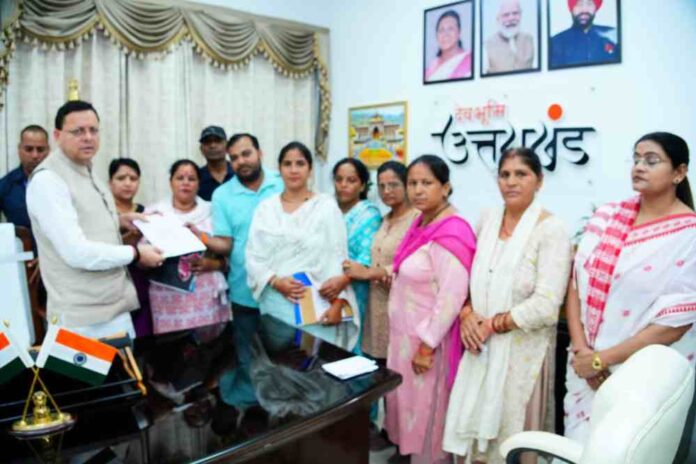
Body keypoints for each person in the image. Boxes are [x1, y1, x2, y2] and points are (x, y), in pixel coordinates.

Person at [564, 132, 696, 444]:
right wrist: (583, 354)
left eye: (651, 160)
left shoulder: (689, 234)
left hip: (643, 377)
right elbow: (576, 284)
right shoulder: (607, 216)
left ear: (679, 172)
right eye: (636, 159)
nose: (639, 166)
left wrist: (602, 360)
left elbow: (674, 324)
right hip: (584, 369)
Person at [442, 148, 572, 464]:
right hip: (479, 351)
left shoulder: (551, 230)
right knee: (474, 444)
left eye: (521, 174)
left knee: (511, 443)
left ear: (539, 181)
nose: (511, 182)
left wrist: (492, 324)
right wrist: (467, 313)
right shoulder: (487, 219)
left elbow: (547, 305)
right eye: (505, 174)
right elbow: (468, 278)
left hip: (521, 357)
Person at [26, 100, 163, 338]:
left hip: (114, 307)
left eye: (93, 130)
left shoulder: (87, 170)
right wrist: (136, 254)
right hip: (82, 320)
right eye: (78, 131)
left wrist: (121, 220)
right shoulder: (48, 181)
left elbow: (85, 220)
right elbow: (76, 252)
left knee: (126, 363)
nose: (88, 137)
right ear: (57, 136)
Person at [385, 155, 476, 464]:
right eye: (412, 183)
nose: (418, 190)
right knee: (407, 405)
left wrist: (426, 346)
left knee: (426, 411)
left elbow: (452, 296)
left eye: (427, 183)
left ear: (445, 187)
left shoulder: (453, 232)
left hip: (428, 344)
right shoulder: (421, 222)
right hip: (404, 338)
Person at [246, 142, 360, 350]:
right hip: (275, 305)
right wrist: (276, 281)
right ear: (279, 169)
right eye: (287, 164)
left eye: (300, 163)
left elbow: (337, 257)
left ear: (310, 169)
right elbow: (253, 256)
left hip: (317, 307)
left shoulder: (325, 207)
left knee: (314, 364)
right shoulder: (266, 209)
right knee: (279, 364)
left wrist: (338, 302)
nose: (294, 170)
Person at [200, 133, 283, 412]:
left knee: (283, 360)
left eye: (246, 154)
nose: (240, 162)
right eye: (234, 158)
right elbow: (225, 244)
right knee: (247, 360)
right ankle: (254, 415)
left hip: (283, 293)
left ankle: (283, 417)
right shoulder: (222, 195)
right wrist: (200, 237)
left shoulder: (282, 183)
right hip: (244, 293)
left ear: (260, 153)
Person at [342, 161, 418, 362]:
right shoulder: (383, 220)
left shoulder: (417, 220)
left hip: (403, 307)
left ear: (407, 185)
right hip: (375, 306)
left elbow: (415, 264)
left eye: (393, 185)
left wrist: (370, 273)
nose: (386, 191)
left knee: (399, 367)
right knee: (376, 367)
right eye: (382, 186)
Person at [146, 160, 230, 334]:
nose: (185, 183)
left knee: (209, 347)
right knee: (171, 347)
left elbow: (231, 252)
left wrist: (213, 264)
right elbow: (142, 258)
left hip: (206, 299)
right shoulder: (154, 213)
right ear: (171, 182)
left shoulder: (212, 212)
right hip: (166, 301)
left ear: (199, 184)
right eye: (180, 178)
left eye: (191, 179)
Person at [333, 158, 382, 350]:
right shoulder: (328, 210)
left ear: (362, 186)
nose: (343, 185)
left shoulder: (368, 215)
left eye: (351, 180)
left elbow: (364, 259)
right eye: (339, 179)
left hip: (355, 288)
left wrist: (342, 281)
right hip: (326, 287)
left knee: (353, 346)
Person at [107, 158, 153, 337]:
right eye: (121, 178)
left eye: (133, 179)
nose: (128, 183)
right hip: (113, 281)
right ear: (110, 182)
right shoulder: (105, 213)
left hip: (141, 280)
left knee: (143, 336)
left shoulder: (145, 212)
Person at [0, 125, 50, 231]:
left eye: (40, 150)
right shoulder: (5, 185)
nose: (35, 155)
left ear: (48, 150)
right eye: (29, 149)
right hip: (20, 241)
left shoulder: (62, 181)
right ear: (19, 149)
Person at [550, 0, 619, 68]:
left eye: (589, 4)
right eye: (579, 4)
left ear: (595, 8)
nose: (584, 10)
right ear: (571, 9)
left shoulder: (612, 35)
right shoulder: (556, 42)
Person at [484, 0, 535, 74]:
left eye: (515, 13)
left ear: (520, 15)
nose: (511, 18)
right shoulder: (486, 45)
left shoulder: (530, 39)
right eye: (506, 15)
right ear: (498, 18)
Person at [425, 9, 472, 82]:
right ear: (437, 35)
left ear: (459, 33)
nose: (445, 34)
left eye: (450, 29)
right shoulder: (430, 69)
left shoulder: (470, 60)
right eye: (441, 30)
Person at [197, 125, 234, 201]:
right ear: (201, 149)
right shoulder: (196, 178)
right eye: (207, 142)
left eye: (218, 141)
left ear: (227, 146)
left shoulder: (239, 173)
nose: (212, 146)